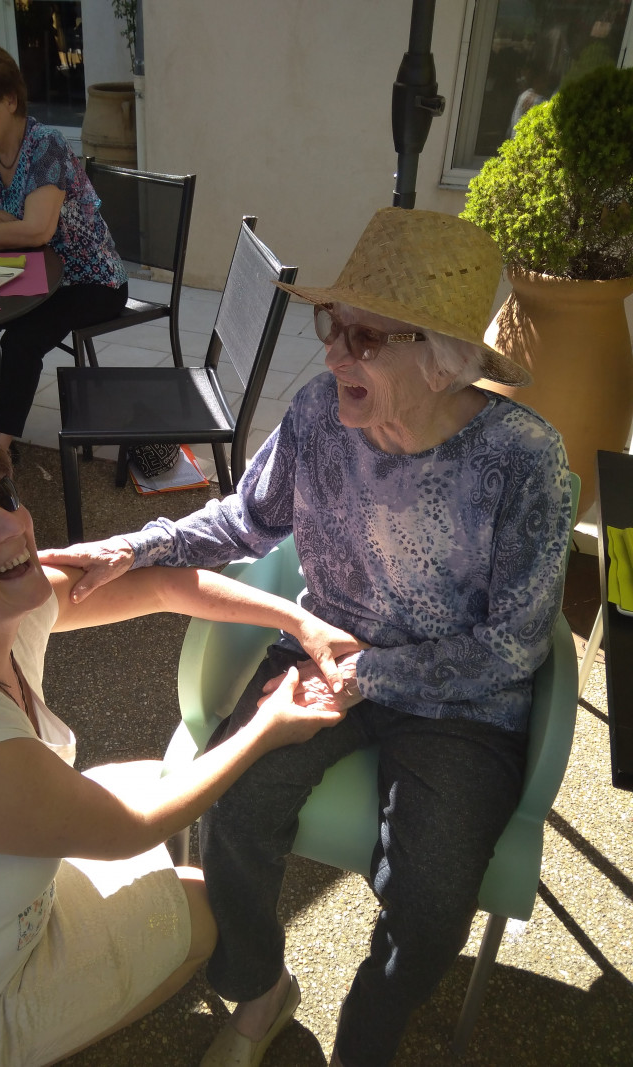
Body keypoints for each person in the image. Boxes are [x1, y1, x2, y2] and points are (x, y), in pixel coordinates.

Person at [40, 208, 573, 1066]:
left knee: (432, 897)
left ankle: (369, 1034)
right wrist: (129, 545)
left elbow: (511, 648)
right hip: (326, 645)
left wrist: (372, 675)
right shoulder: (322, 416)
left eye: (363, 337)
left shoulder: (523, 461)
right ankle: (260, 991)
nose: (332, 356)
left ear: (441, 357)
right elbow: (243, 522)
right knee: (237, 807)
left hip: (457, 702)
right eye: (332, 325)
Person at [0, 422, 360, 1067]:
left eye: (3, 495)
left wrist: (299, 620)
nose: (12, 526)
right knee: (203, 910)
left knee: (169, 794)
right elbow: (131, 831)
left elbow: (164, 585)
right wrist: (267, 726)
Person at [0, 44, 128, 453]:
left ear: (9, 99)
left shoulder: (46, 144)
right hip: (28, 274)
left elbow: (37, 230)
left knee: (20, 340)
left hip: (89, 280)